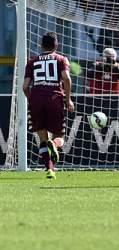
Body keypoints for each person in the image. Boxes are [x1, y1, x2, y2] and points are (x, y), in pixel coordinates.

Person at [22, 32, 74, 179]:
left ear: (41, 45)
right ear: (56, 45)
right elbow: (66, 78)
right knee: (60, 136)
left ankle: (50, 169)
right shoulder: (61, 59)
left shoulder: (32, 62)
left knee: (42, 137)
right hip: (54, 97)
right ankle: (55, 145)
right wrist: (68, 99)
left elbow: (25, 87)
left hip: (36, 98)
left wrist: (32, 99)